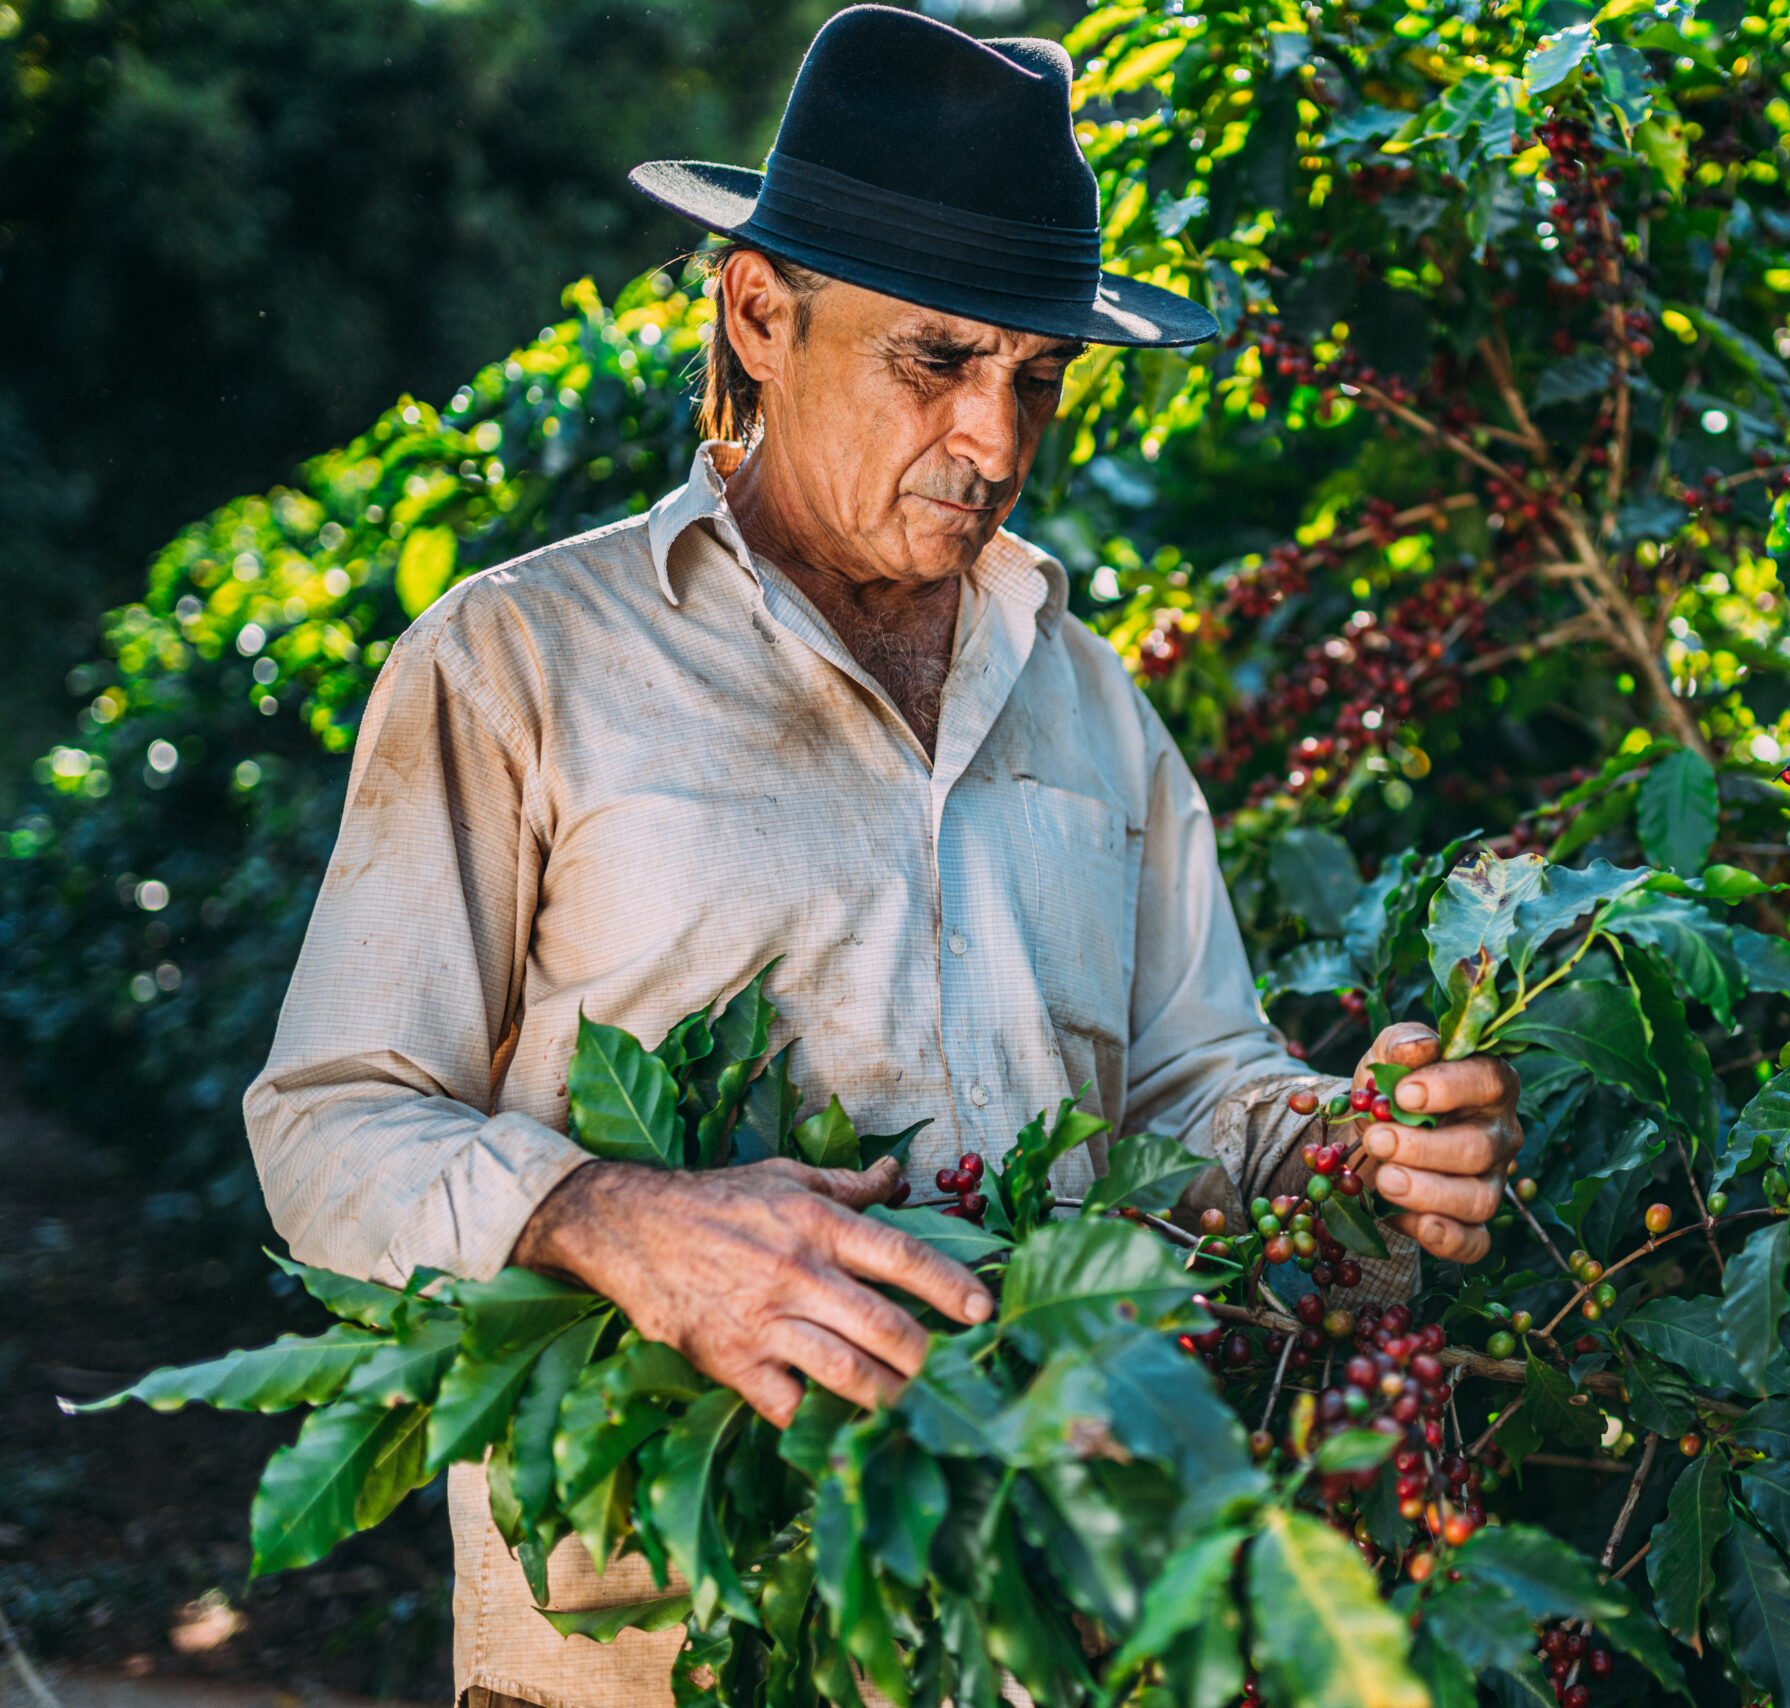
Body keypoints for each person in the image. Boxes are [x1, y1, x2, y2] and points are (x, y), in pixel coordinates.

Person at [242, 10, 1522, 1708]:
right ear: (761, 313)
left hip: (1040, 1629)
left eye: (1038, 376)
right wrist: (612, 1215)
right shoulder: (520, 664)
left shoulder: (1084, 699)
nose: (996, 440)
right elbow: (329, 1118)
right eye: (937, 361)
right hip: (647, 1647)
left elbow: (1192, 1082)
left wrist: (1348, 1148)